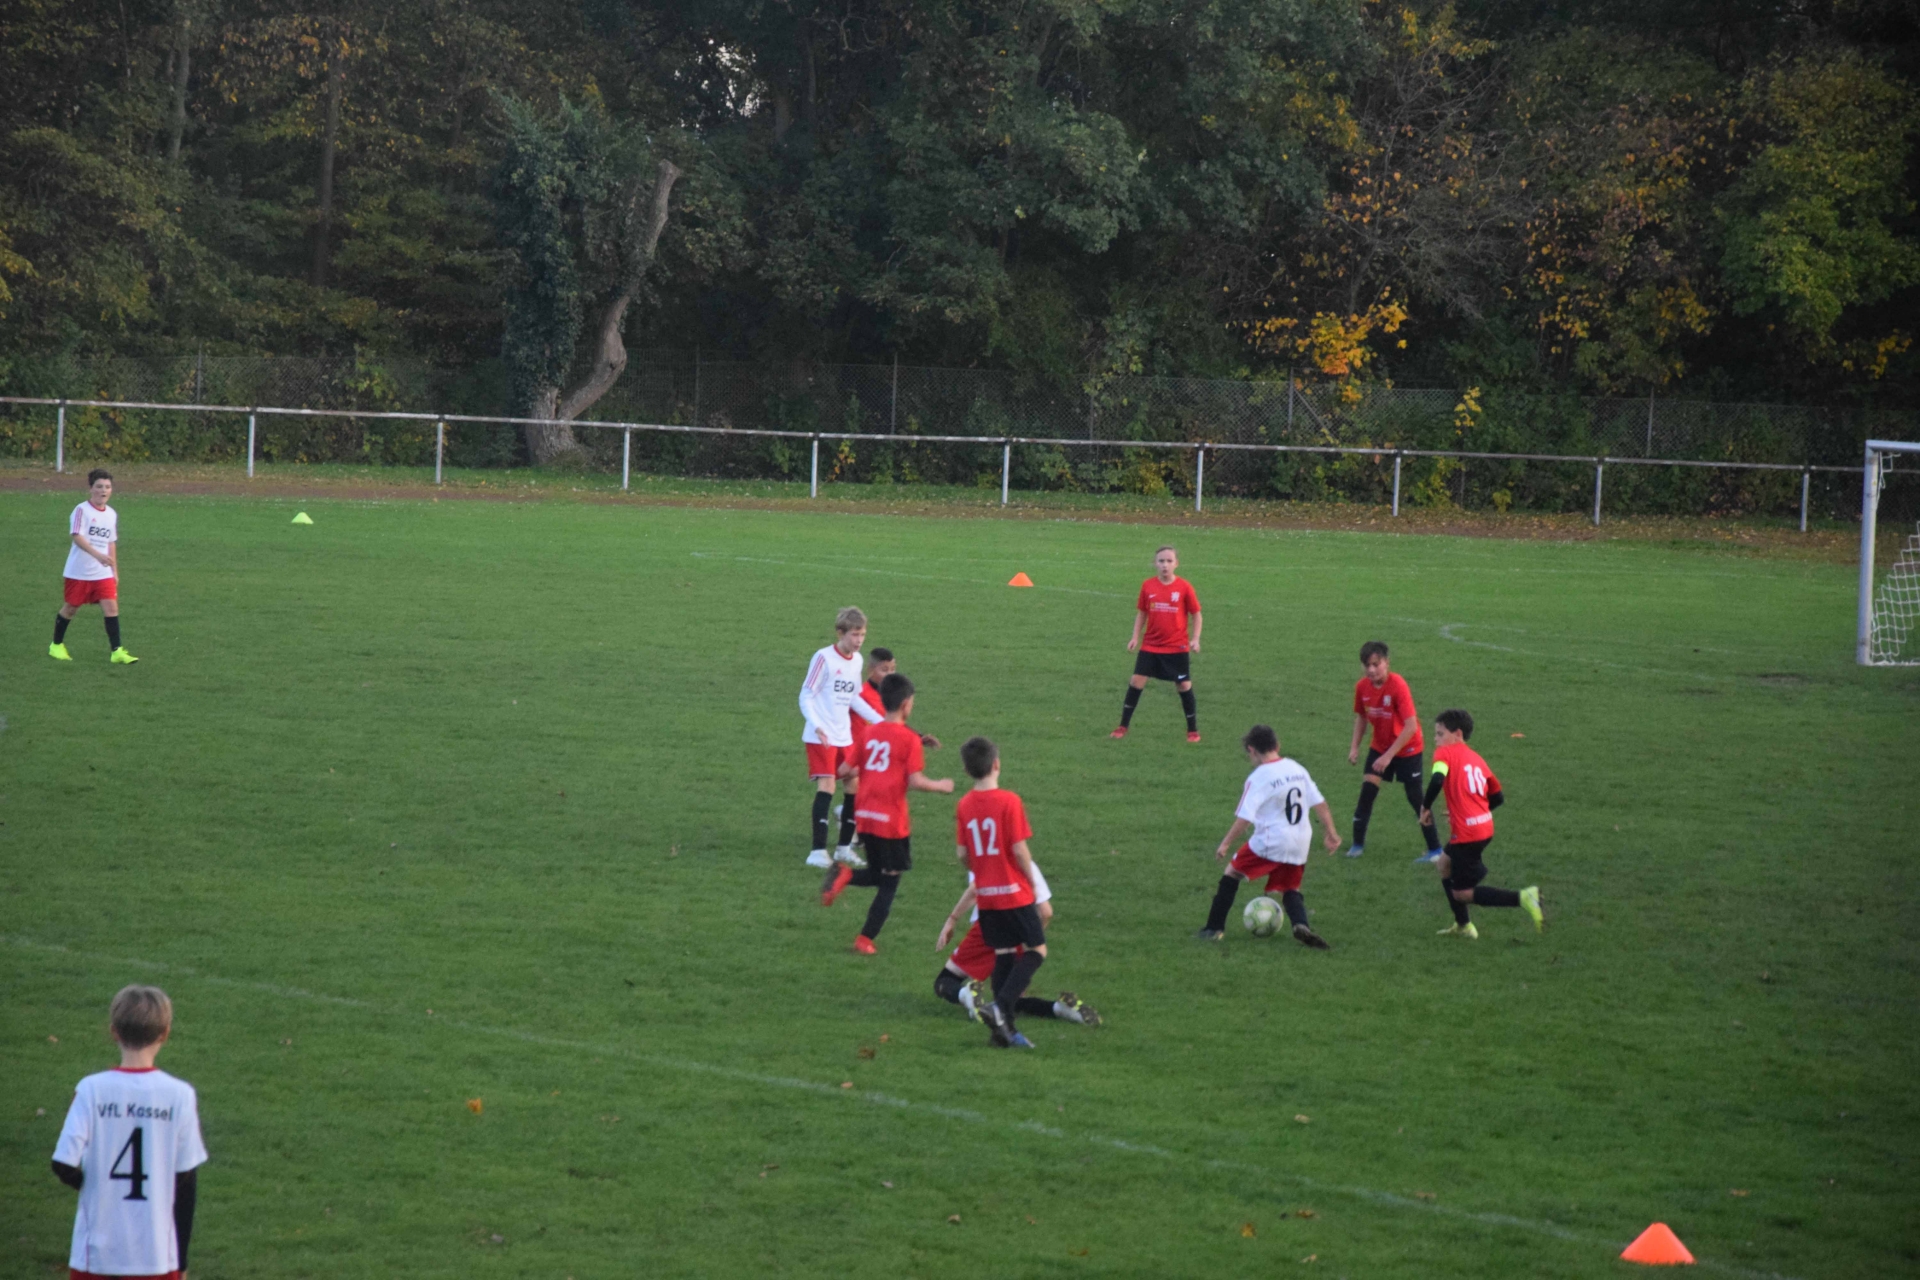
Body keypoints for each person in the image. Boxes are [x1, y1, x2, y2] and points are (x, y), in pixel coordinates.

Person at [51, 984, 208, 1280]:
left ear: (114, 1032)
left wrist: (94, 1186)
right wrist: (182, 1262)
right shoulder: (180, 1095)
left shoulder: (91, 1090)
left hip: (95, 1255)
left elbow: (62, 1163)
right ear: (164, 1033)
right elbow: (186, 1183)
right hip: (157, 1257)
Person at [822, 674, 953, 953]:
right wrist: (941, 786)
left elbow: (845, 770)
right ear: (906, 704)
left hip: (865, 816)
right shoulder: (908, 739)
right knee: (890, 882)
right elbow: (915, 781)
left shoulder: (868, 733)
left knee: (877, 872)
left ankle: (845, 875)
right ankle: (864, 938)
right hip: (891, 821)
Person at [1195, 724, 1342, 948]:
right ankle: (1301, 924)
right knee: (1291, 887)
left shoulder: (1259, 777)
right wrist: (1331, 833)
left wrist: (1225, 843)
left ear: (1252, 750)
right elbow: (1320, 803)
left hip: (1271, 840)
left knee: (1232, 873)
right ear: (1277, 745)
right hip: (1301, 841)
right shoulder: (1296, 768)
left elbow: (1245, 818)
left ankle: (1213, 929)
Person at [954, 736, 1046, 1048]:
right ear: (996, 764)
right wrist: (1032, 885)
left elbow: (962, 853)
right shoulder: (1009, 801)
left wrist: (980, 870)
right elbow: (1019, 850)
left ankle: (1004, 1032)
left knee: (1003, 954)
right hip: (1013, 892)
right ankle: (1001, 1005)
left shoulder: (964, 805)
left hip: (987, 896)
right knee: (1037, 951)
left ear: (967, 771)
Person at [1419, 709, 1544, 939]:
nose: (1435, 739)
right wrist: (1472, 813)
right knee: (1444, 865)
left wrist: (1425, 807)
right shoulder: (1476, 758)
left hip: (1468, 834)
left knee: (1462, 893)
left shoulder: (1444, 753)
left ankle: (1524, 898)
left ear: (1457, 734)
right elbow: (1497, 797)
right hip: (1484, 827)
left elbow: (1437, 779)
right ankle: (1463, 925)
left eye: (1440, 733)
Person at [933, 873, 1100, 1027]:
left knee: (945, 980)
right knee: (1009, 998)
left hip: (989, 927)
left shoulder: (993, 858)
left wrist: (952, 920)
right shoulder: (1029, 866)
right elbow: (1046, 912)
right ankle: (1060, 1009)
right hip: (1021, 930)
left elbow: (975, 888)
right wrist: (1030, 942)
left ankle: (965, 994)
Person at [799, 607, 886, 869]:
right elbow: (806, 695)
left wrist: (883, 723)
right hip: (821, 736)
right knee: (827, 786)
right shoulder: (823, 658)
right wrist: (816, 725)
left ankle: (843, 849)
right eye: (854, 635)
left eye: (863, 635)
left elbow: (854, 698)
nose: (859, 641)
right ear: (840, 633)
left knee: (853, 783)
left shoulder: (856, 661)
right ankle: (817, 852)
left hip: (843, 735)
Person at [1346, 641, 1440, 862]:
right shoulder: (1362, 687)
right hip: (1380, 746)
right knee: (1367, 792)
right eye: (1367, 665)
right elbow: (1361, 717)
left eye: (1376, 664)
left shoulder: (1398, 685)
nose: (1371, 670)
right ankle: (1357, 846)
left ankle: (1435, 850)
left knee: (1416, 798)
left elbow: (1411, 727)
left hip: (1408, 748)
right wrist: (1354, 747)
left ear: (1387, 662)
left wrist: (1388, 757)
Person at [1112, 546, 1201, 742]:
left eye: (1169, 561)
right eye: (1161, 561)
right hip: (1151, 645)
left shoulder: (1184, 587)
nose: (1165, 565)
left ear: (1176, 564)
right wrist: (1135, 637)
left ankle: (1192, 730)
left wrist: (1195, 639)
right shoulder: (1148, 586)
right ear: (1155, 563)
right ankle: (1122, 726)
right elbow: (1142, 613)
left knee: (1183, 684)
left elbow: (1196, 614)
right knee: (1136, 680)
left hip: (1177, 646)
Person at [51, 469, 138, 665]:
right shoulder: (81, 510)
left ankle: (117, 651)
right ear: (91, 489)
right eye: (99, 486)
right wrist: (98, 555)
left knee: (111, 607)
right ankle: (56, 645)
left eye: (107, 487)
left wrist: (114, 571)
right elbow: (77, 536)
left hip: (102, 572)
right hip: (79, 571)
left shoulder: (111, 514)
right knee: (71, 608)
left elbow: (111, 542)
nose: (103, 491)